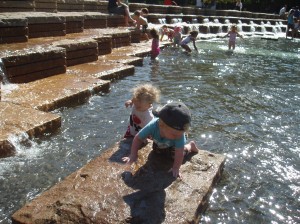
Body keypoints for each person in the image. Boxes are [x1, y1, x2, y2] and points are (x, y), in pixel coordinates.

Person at [122, 101, 199, 179]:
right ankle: (164, 145)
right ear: (161, 125)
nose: (177, 136)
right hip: (160, 141)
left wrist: (176, 168)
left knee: (173, 155)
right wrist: (133, 155)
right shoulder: (152, 126)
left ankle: (190, 146)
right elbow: (138, 139)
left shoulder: (179, 135)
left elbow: (179, 153)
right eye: (174, 134)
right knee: (156, 151)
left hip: (173, 145)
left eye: (180, 133)